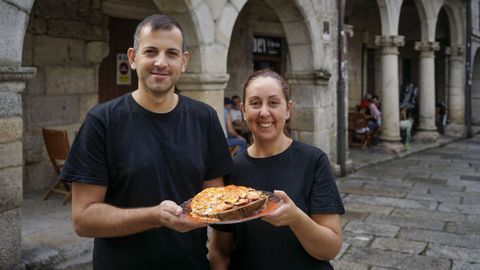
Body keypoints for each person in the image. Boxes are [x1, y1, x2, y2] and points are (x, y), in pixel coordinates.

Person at [59, 14, 233, 270]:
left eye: (171, 53)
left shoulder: (204, 118)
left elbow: (217, 200)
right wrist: (155, 217)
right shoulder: (102, 121)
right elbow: (83, 219)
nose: (160, 62)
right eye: (151, 51)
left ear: (183, 61)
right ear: (133, 57)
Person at [208, 69, 345, 270]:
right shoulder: (231, 170)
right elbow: (220, 250)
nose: (264, 112)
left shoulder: (313, 161)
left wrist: (296, 219)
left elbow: (330, 249)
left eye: (273, 103)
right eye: (255, 103)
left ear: (288, 109)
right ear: (244, 110)